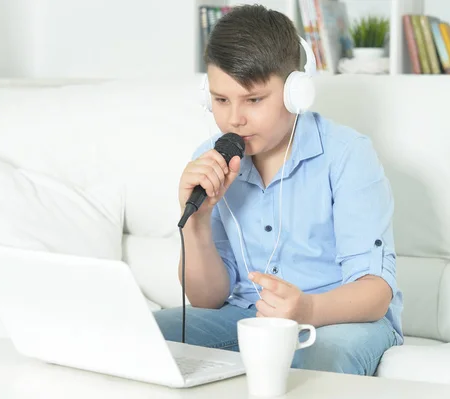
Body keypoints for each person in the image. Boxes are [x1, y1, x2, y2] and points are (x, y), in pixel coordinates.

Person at [153, 4, 403, 376]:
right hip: (244, 316)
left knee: (317, 361)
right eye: (221, 100)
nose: (234, 119)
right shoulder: (209, 160)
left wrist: (308, 311)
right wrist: (197, 222)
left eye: (253, 100)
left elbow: (376, 294)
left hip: (340, 322)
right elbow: (206, 299)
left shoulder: (347, 156)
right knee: (149, 336)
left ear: (295, 93)